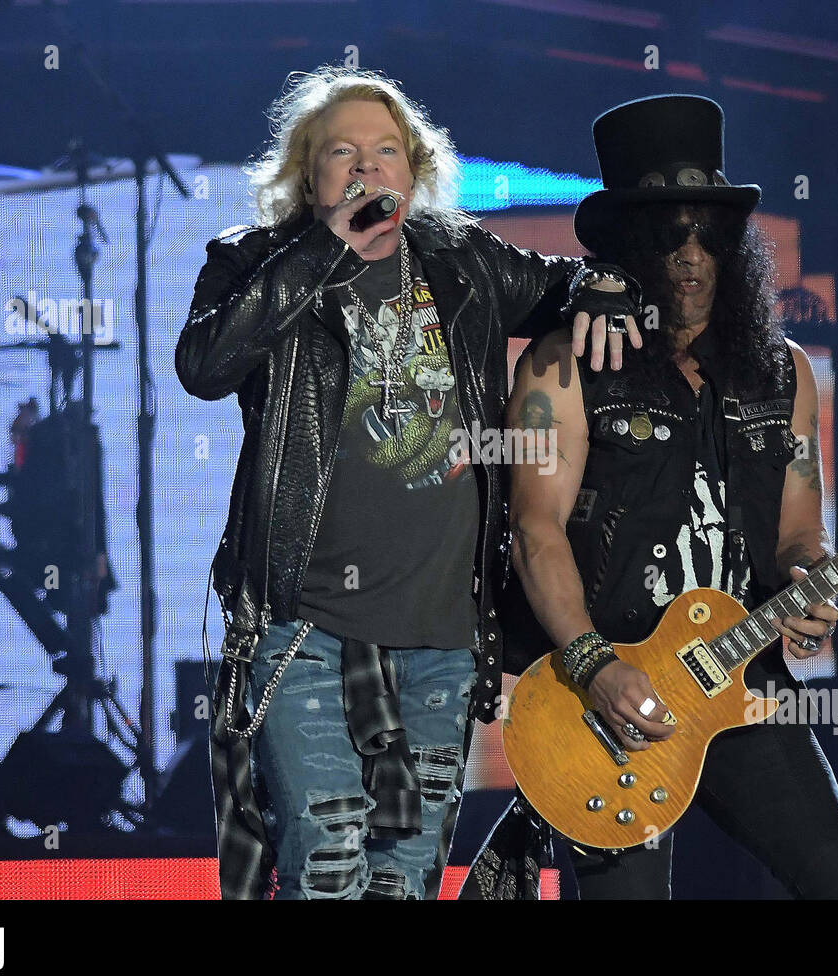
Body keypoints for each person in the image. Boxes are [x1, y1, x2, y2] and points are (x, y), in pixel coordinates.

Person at [174, 66, 641, 899]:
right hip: (305, 626)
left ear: (415, 169)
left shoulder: (463, 261)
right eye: (342, 153)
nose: (367, 168)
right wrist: (327, 249)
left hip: (439, 637)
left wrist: (605, 284)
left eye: (386, 151)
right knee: (324, 858)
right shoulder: (253, 263)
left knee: (408, 875)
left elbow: (564, 286)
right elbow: (205, 365)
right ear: (306, 176)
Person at [466, 94, 838, 899]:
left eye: (709, 233)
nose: (690, 253)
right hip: (609, 684)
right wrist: (593, 666)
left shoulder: (783, 369)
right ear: (629, 245)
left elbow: (799, 531)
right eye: (668, 233)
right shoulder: (564, 365)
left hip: (742, 672)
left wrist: (808, 586)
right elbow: (535, 532)